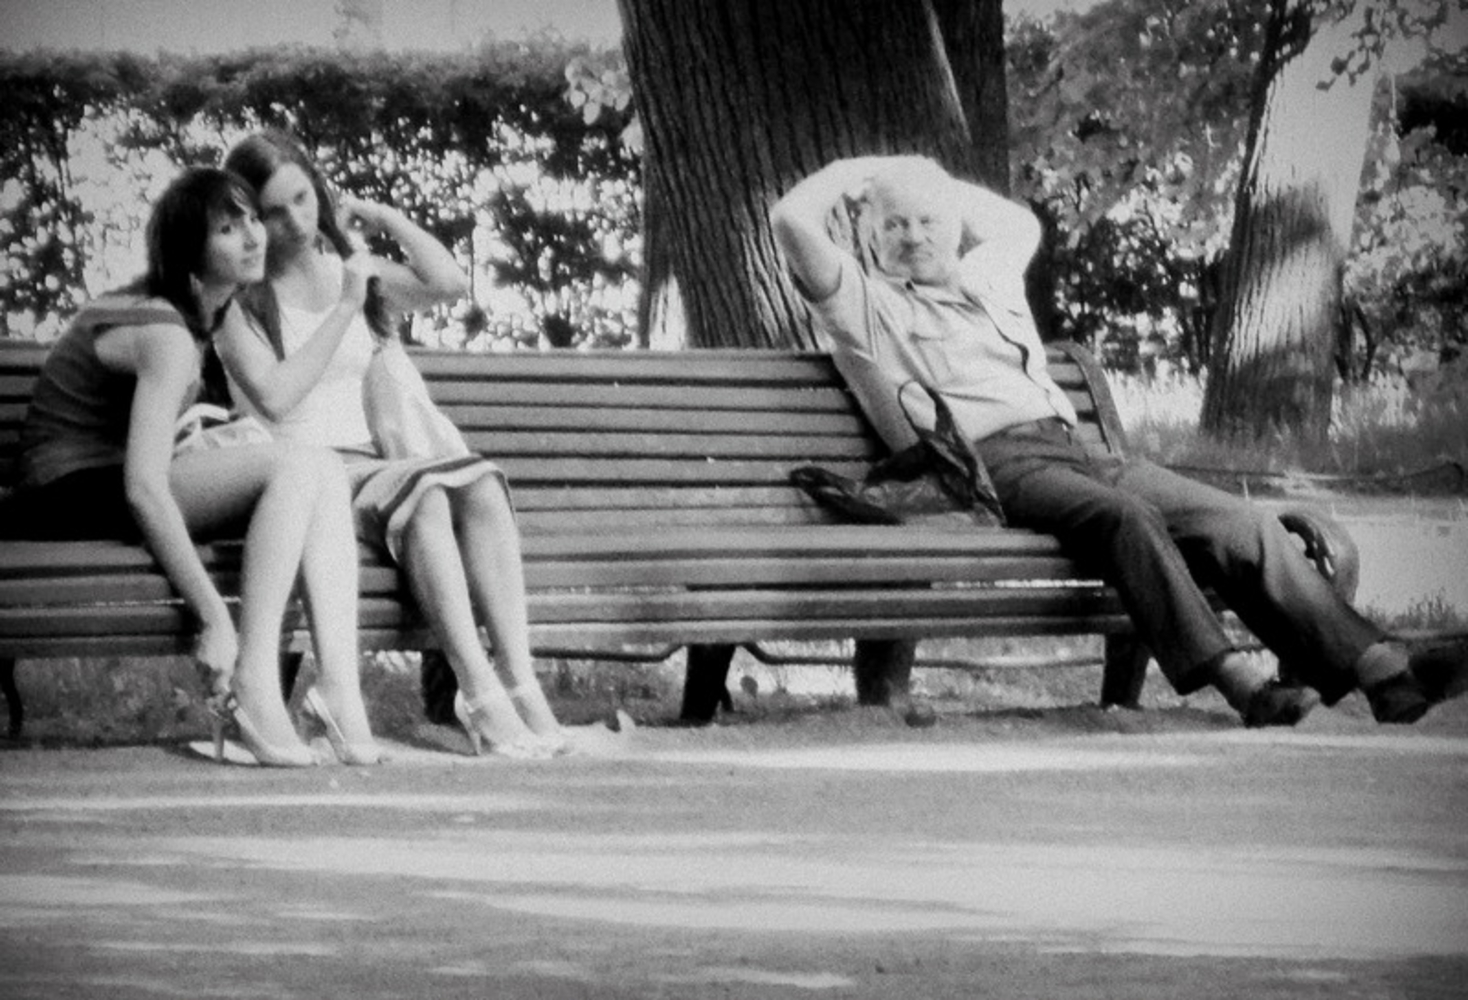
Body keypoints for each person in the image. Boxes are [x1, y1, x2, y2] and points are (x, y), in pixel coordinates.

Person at [770, 154, 1467, 726]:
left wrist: (931, 181)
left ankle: (1386, 672)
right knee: (1124, 517)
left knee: (1241, 522)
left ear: (954, 228)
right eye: (894, 225)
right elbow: (790, 220)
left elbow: (1015, 222)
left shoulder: (987, 278)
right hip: (986, 466)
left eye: (928, 221)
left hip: (1078, 451)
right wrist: (863, 173)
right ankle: (1241, 683)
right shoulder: (865, 307)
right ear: (870, 237)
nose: (913, 236)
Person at [0, 167, 379, 766]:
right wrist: (212, 619)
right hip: (64, 493)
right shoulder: (165, 330)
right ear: (191, 254)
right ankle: (254, 681)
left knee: (322, 468)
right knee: (295, 468)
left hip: (102, 480)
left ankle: (339, 690)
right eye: (228, 229)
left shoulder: (202, 317)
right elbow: (144, 489)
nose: (252, 236)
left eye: (251, 218)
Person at [216, 129, 567, 758]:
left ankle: (521, 686)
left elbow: (448, 282)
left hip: (377, 471)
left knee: (481, 485)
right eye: (274, 211)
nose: (296, 222)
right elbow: (275, 402)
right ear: (249, 218)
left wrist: (382, 217)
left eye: (303, 198)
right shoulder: (240, 301)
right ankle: (478, 694)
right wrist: (345, 307)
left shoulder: (350, 271)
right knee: (426, 495)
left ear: (319, 191)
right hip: (305, 480)